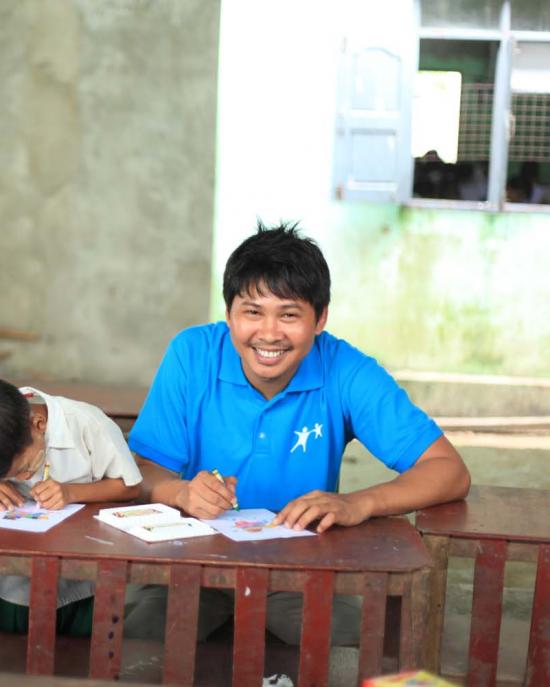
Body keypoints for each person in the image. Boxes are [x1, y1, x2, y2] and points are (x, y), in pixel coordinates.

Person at [124, 222, 470, 644]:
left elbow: (449, 470)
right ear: (229, 313)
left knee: (352, 651)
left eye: (289, 314)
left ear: (320, 318)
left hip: (302, 570)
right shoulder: (191, 354)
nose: (269, 334)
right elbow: (145, 473)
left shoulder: (346, 369)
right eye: (252, 312)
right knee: (137, 643)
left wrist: (360, 503)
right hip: (189, 562)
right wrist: (181, 494)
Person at [0, 378, 142, 635]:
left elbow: (129, 486)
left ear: (38, 424)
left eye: (24, 469)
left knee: (79, 651)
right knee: (9, 648)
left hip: (84, 568)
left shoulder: (87, 424)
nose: (23, 478)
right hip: (14, 571)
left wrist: (71, 492)